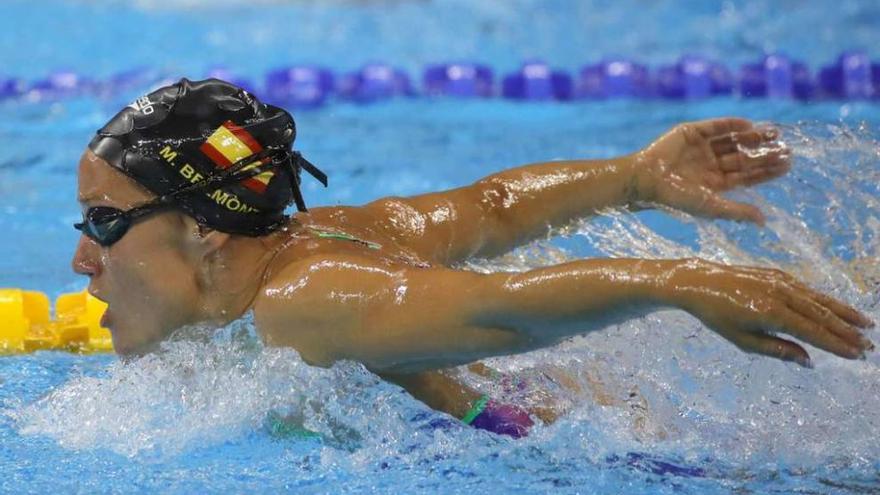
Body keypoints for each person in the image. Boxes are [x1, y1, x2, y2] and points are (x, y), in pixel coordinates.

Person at [73, 79, 874, 437]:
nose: (83, 258)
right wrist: (631, 178)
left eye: (105, 222)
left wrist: (680, 280)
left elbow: (500, 309)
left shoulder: (306, 301)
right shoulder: (325, 236)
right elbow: (494, 206)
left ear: (203, 227)